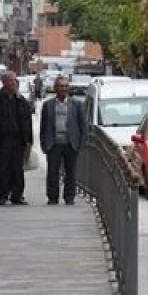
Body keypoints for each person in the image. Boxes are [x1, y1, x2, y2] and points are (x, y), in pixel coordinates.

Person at [0, 72, 34, 205]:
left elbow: (27, 121)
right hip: (1, 139)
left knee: (18, 168)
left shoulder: (21, 100)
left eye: (14, 80)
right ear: (4, 82)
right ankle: (2, 194)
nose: (13, 83)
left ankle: (17, 195)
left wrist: (28, 140)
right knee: (3, 167)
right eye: (11, 80)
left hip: (18, 140)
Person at [39, 76, 88, 206]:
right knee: (52, 172)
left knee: (70, 172)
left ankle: (69, 197)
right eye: (61, 86)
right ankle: (52, 197)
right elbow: (43, 126)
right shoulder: (48, 105)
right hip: (53, 143)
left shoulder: (77, 105)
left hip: (71, 143)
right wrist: (44, 144)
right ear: (55, 88)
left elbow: (83, 126)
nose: (63, 89)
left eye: (66, 86)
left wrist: (81, 144)